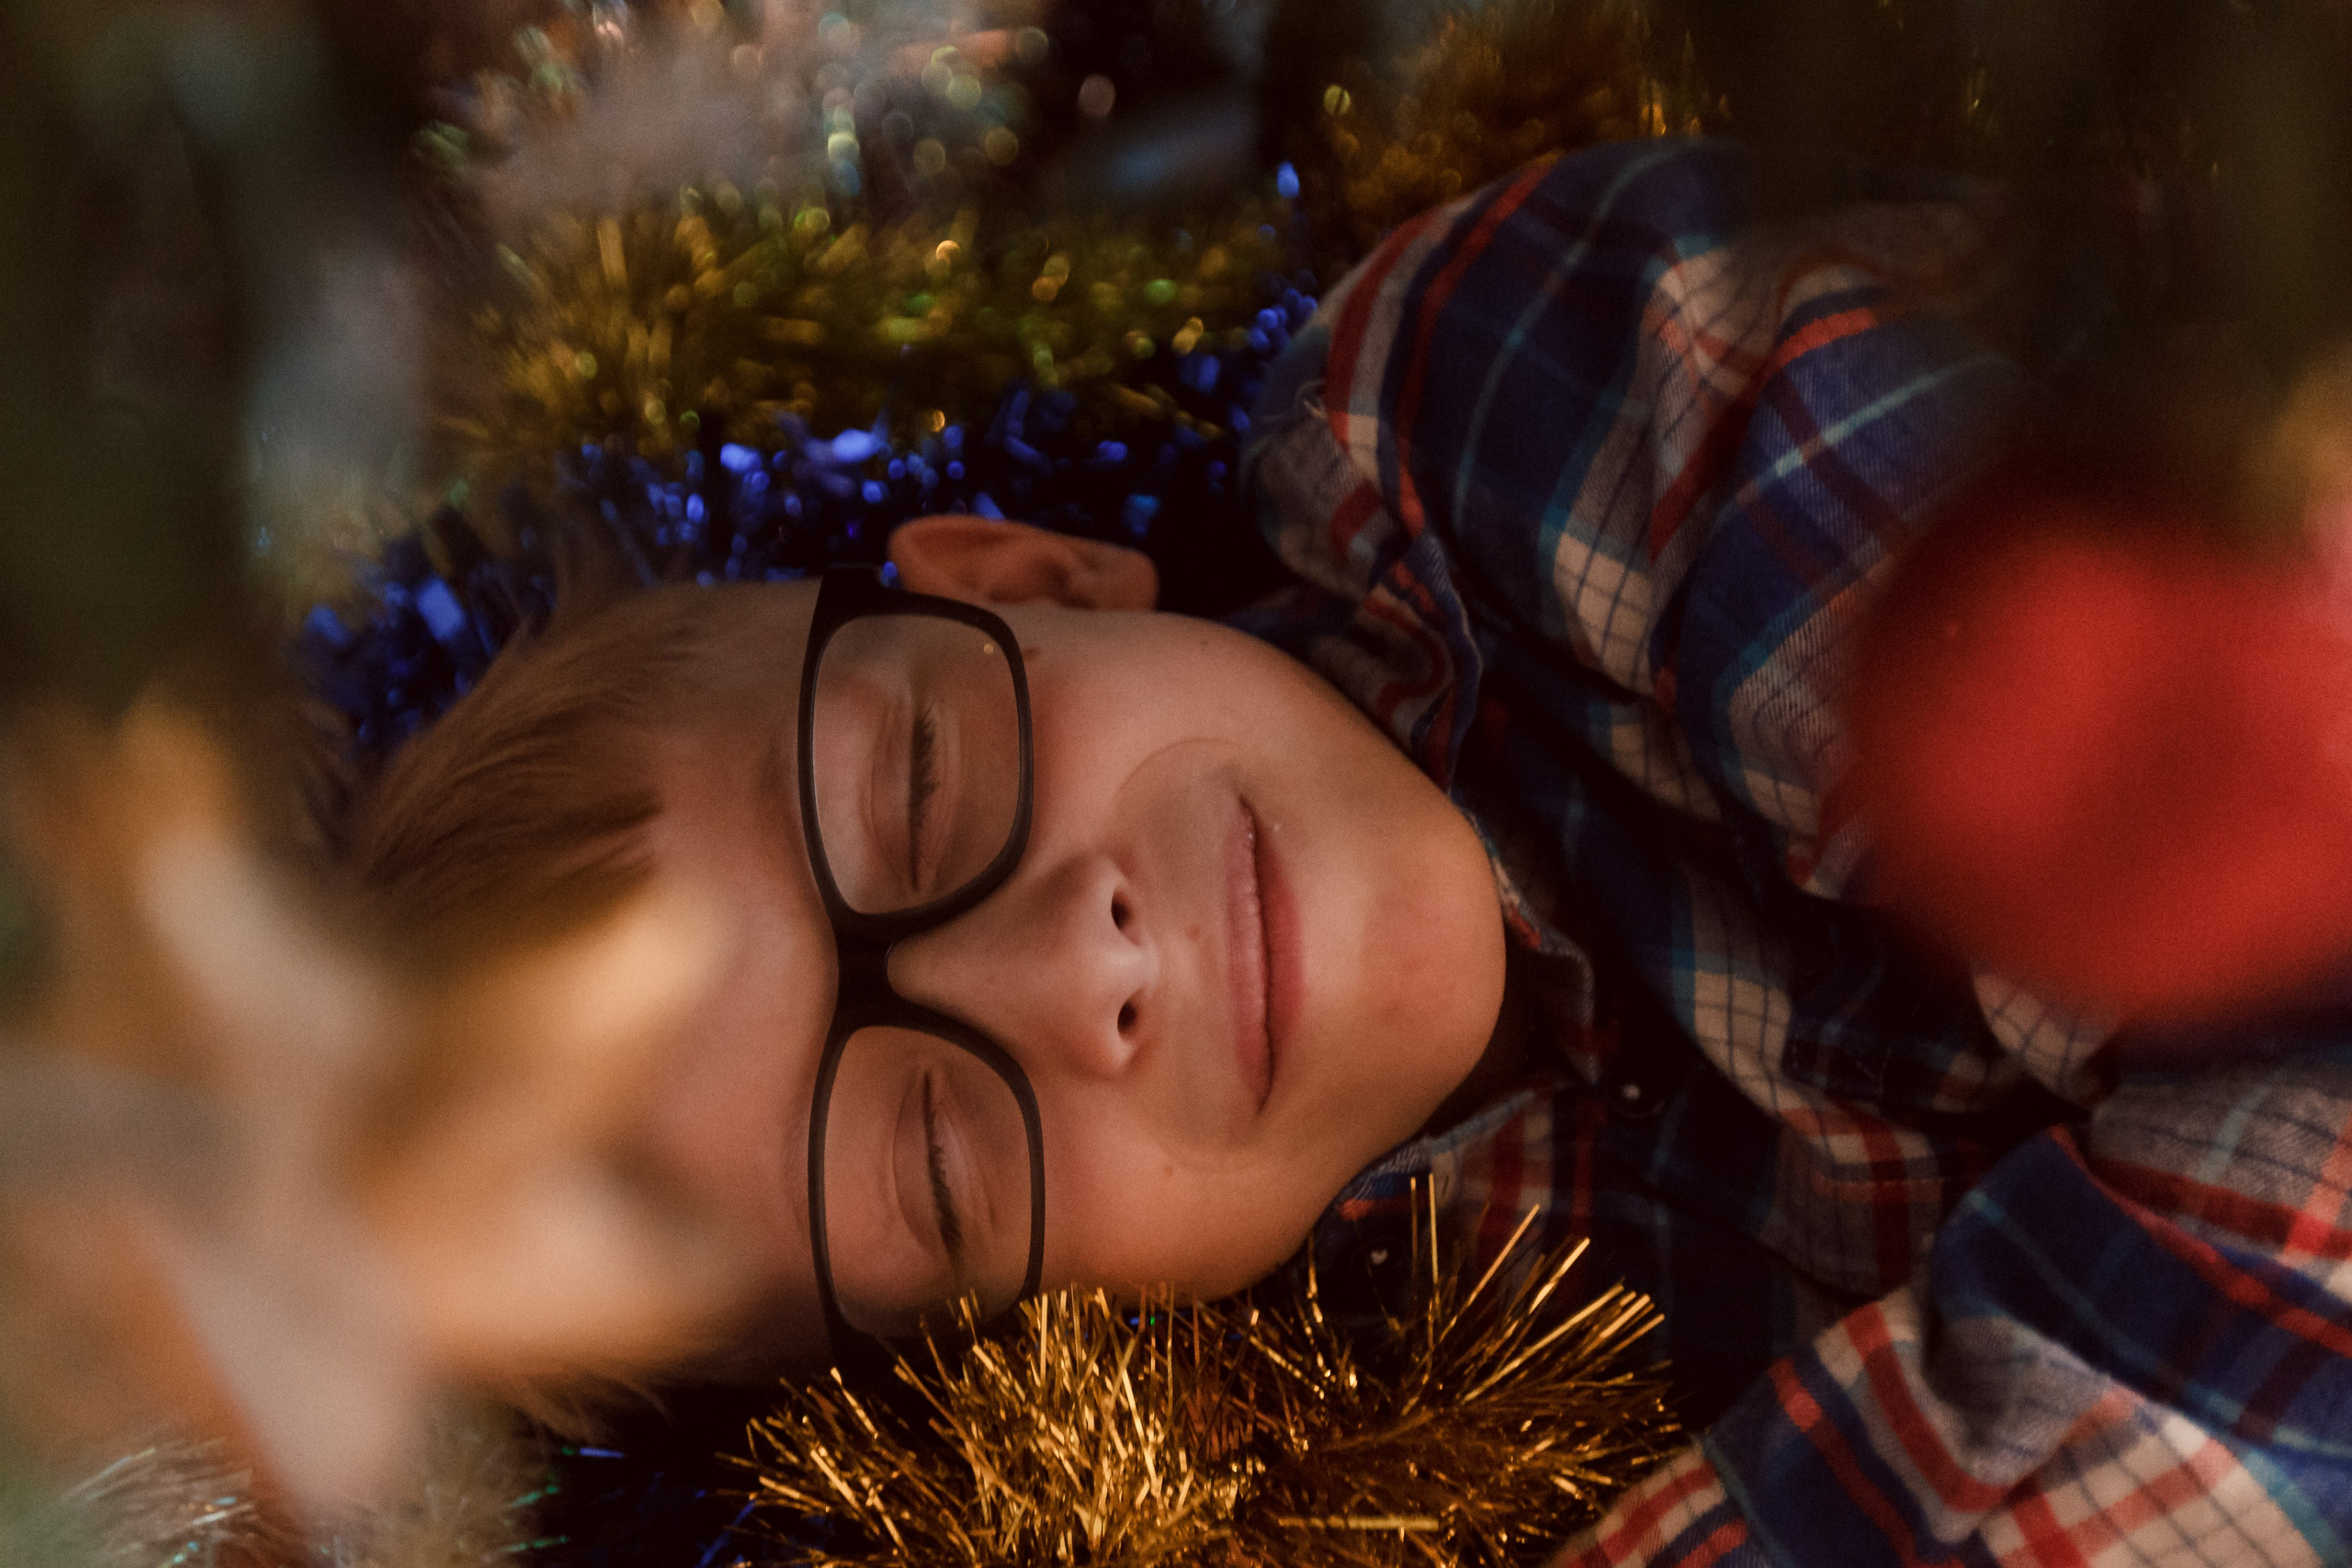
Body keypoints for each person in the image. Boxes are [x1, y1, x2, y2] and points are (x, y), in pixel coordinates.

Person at [346, 140, 2352, 1563]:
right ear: (1015, 1348)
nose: (1080, 963)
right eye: (939, 1161)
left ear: (1026, 578)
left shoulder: (1510, 397)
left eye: (925, 793)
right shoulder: (1389, 1459)